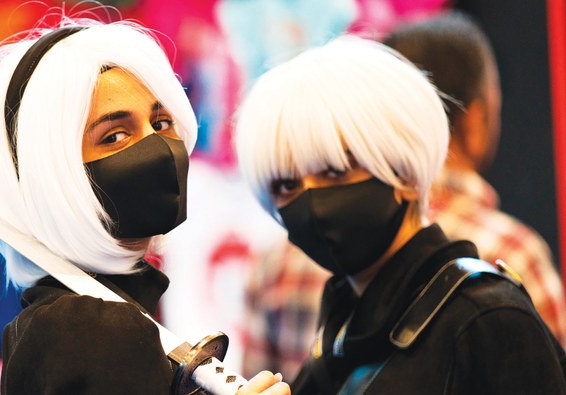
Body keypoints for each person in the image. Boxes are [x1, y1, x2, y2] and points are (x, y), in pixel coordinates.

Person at [0, 18, 289, 394]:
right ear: (53, 175)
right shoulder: (97, 328)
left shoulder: (63, 319)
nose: (157, 146)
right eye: (115, 135)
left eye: (161, 121)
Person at [241, 12, 566, 383]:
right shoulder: (338, 333)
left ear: (405, 174)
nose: (311, 200)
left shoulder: (487, 319)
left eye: (335, 171)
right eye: (287, 185)